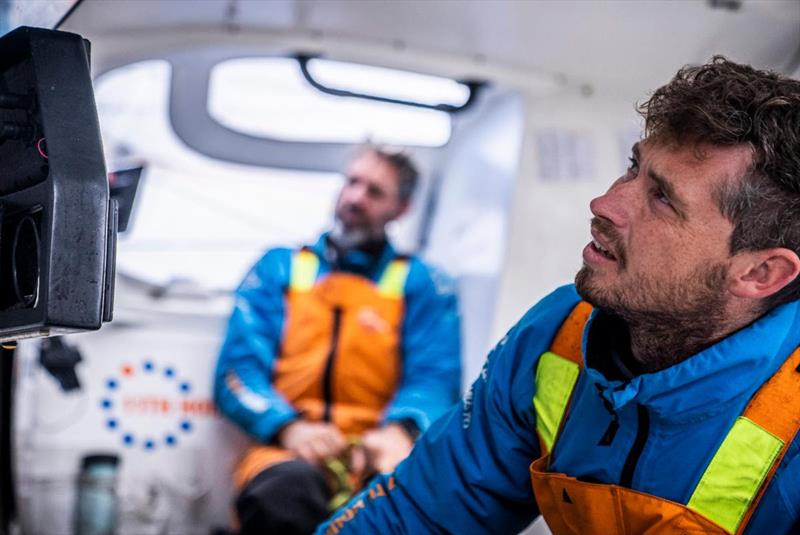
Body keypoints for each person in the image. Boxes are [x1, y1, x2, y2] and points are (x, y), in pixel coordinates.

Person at [317, 58, 800, 535]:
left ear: (760, 273)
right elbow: (419, 515)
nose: (605, 203)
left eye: (662, 198)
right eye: (634, 166)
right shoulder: (559, 333)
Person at [214, 146, 461, 535]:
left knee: (419, 510)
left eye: (375, 192)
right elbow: (238, 374)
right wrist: (288, 428)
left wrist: (401, 431)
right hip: (285, 449)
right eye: (352, 183)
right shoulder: (279, 268)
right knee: (282, 496)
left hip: (378, 455)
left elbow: (434, 377)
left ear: (401, 209)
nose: (355, 197)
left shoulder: (423, 284)